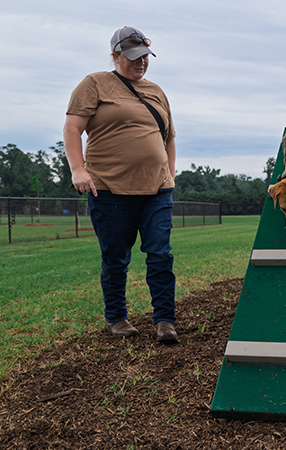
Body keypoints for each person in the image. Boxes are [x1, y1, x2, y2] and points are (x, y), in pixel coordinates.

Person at [63, 26, 178, 343]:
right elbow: (73, 127)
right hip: (109, 190)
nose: (141, 62)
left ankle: (165, 320)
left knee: (160, 254)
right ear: (115, 55)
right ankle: (116, 317)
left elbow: (168, 138)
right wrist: (78, 169)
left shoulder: (156, 91)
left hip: (157, 190)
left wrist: (169, 174)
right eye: (133, 57)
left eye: (145, 57)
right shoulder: (94, 84)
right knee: (116, 258)